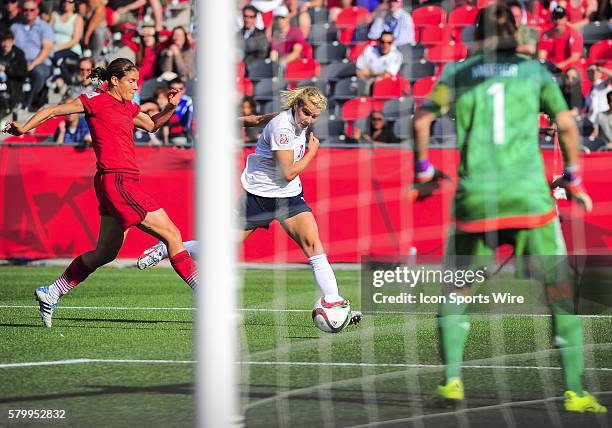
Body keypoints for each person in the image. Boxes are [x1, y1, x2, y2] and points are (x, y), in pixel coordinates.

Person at [412, 4, 606, 413]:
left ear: (476, 35)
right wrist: (572, 176)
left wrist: (424, 169)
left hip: (476, 199)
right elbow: (568, 125)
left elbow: (421, 120)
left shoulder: (457, 74)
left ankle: (450, 381)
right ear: (515, 31)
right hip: (528, 200)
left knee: (457, 290)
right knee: (560, 292)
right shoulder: (534, 71)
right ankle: (574, 392)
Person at [136, 87, 362, 324]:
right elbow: (288, 172)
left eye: (314, 116)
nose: (309, 120)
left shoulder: (290, 120)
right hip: (259, 197)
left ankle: (334, 301)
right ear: (296, 106)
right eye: (306, 113)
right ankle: (168, 248)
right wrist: (312, 152)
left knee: (314, 246)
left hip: (289, 196)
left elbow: (255, 120)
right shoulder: (282, 127)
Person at [2, 58, 199, 328]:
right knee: (172, 234)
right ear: (114, 80)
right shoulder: (94, 100)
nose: (136, 86)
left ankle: (52, 292)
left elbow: (153, 125)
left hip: (116, 182)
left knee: (105, 253)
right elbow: (53, 110)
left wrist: (170, 107)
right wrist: (24, 128)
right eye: (131, 81)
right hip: (118, 180)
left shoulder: (127, 106)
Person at [11, 0, 55, 111]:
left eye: (32, 10)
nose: (28, 12)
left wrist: (33, 64)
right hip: (19, 62)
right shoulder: (15, 27)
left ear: (37, 11)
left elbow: (47, 49)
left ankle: (28, 102)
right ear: (21, 11)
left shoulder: (44, 27)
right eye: (26, 9)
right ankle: (13, 103)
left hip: (40, 62)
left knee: (39, 73)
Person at [49, 0, 84, 90]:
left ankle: (69, 82)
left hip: (71, 49)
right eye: (65, 1)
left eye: (70, 1)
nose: (66, 3)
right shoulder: (54, 15)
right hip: (53, 48)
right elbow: (47, 31)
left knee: (56, 56)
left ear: (75, 4)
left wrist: (57, 48)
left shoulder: (77, 18)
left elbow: (75, 40)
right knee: (52, 56)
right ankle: (59, 78)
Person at [0, 30, 27, 117]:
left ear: (13, 41)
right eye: (3, 41)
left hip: (13, 86)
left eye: (8, 41)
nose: (6, 44)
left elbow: (23, 72)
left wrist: (6, 69)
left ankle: (11, 109)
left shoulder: (19, 53)